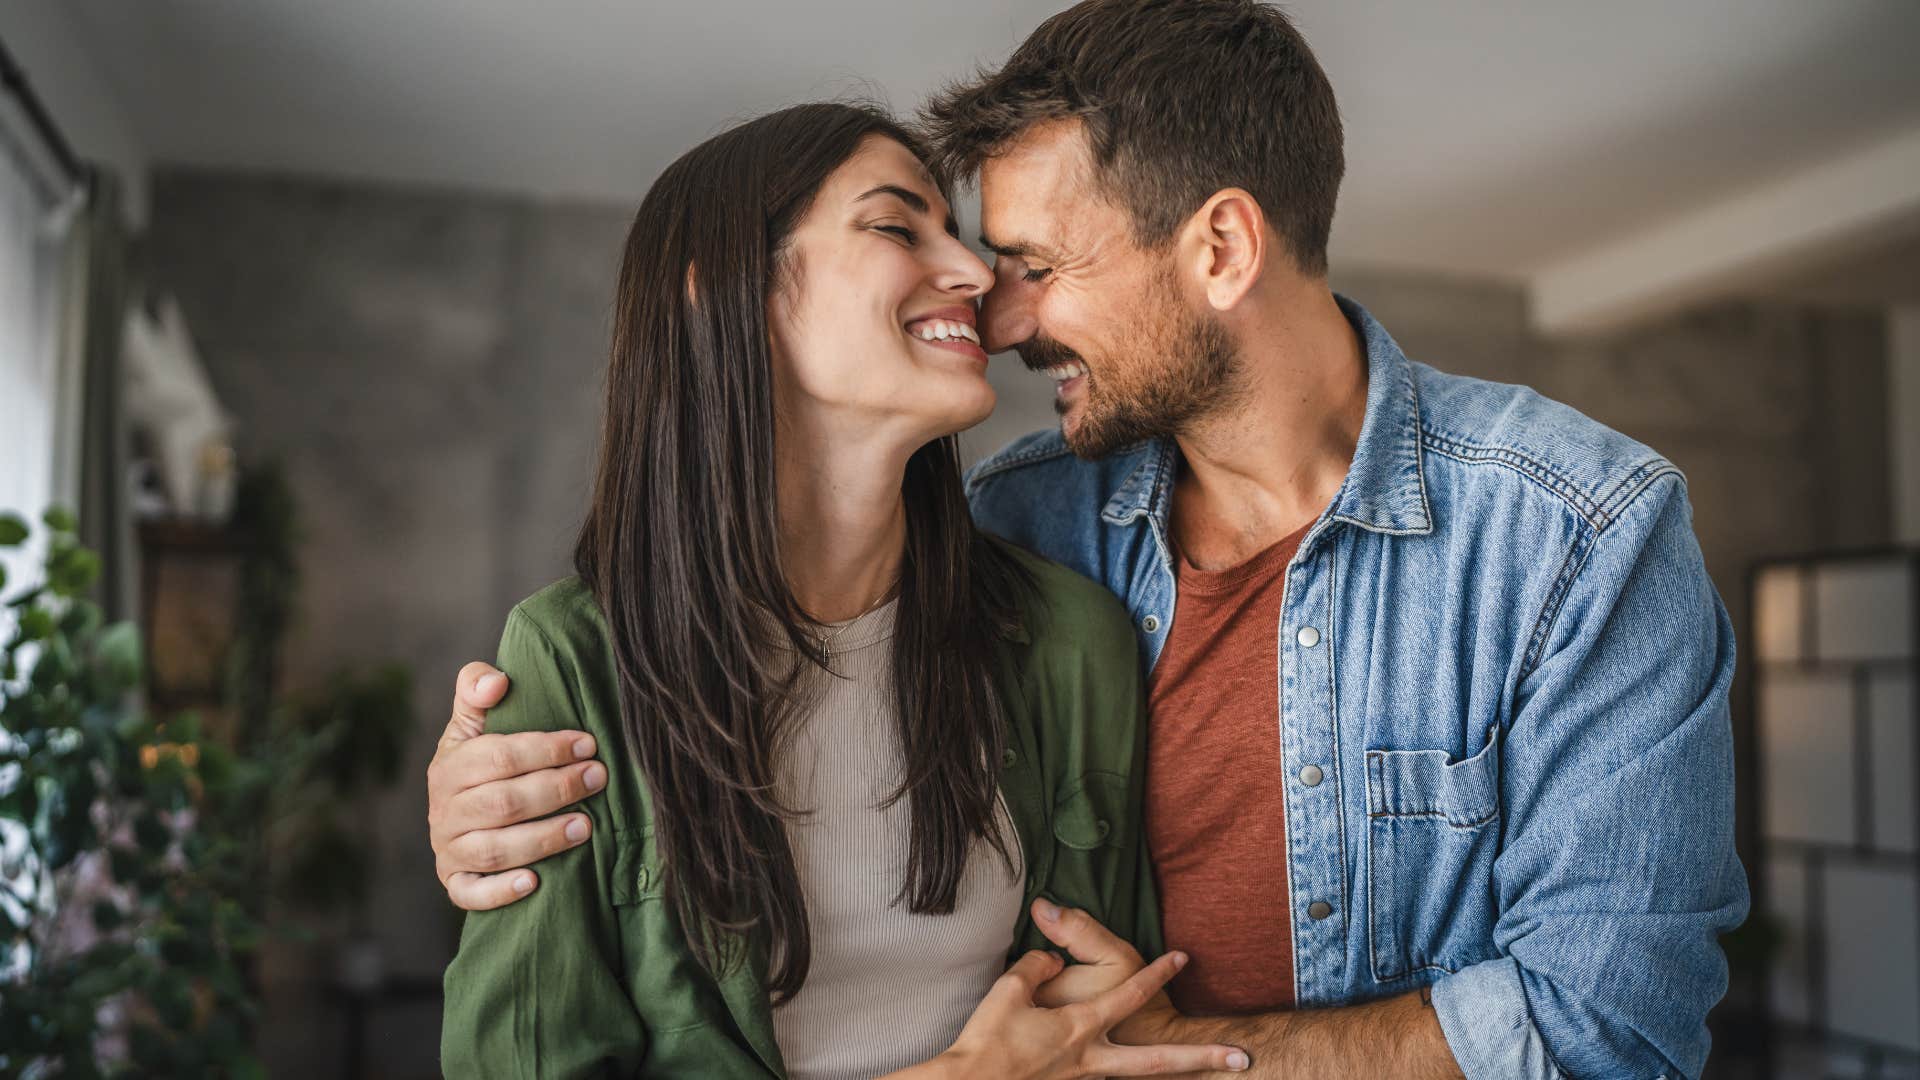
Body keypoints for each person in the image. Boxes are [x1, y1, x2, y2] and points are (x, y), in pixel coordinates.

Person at [430, 2, 1750, 1077]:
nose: (998, 316)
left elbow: (1610, 1028)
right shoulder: (1022, 523)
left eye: (1035, 266)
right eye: (953, 246)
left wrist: (1180, 1052)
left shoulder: (1576, 537)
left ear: (1221, 246)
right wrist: (484, 806)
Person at [436, 102, 1248, 1079]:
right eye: (899, 226)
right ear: (723, 292)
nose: (979, 273)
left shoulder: (1066, 638)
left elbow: (1103, 1025)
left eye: (953, 232)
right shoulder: (570, 662)